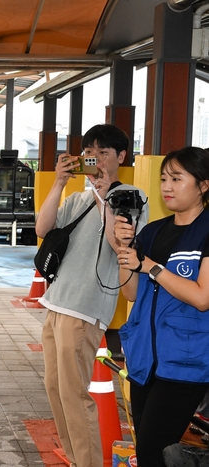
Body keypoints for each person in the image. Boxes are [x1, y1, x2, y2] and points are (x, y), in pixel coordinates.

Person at [35, 124, 149, 467]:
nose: (95, 159)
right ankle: (75, 458)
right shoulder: (77, 197)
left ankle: (88, 462)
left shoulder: (129, 196)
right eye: (89, 152)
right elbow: (42, 229)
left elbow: (121, 245)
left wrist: (103, 197)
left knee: (74, 394)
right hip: (56, 301)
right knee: (56, 391)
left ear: (121, 157)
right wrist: (58, 182)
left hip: (85, 307)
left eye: (103, 152)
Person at [115, 146, 209, 467]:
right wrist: (124, 252)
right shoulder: (154, 231)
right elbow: (130, 293)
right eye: (163, 178)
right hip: (145, 360)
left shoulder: (207, 231)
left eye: (177, 178)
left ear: (203, 185)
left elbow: (202, 297)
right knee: (147, 451)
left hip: (186, 363)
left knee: (154, 451)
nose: (166, 186)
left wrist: (152, 267)